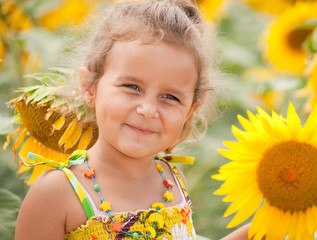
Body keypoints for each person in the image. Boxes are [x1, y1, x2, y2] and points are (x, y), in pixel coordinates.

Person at [14, 0, 252, 239]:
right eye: (132, 87)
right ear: (90, 87)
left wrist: (253, 233)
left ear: (190, 110)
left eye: (170, 97)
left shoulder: (171, 180)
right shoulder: (57, 193)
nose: (148, 110)